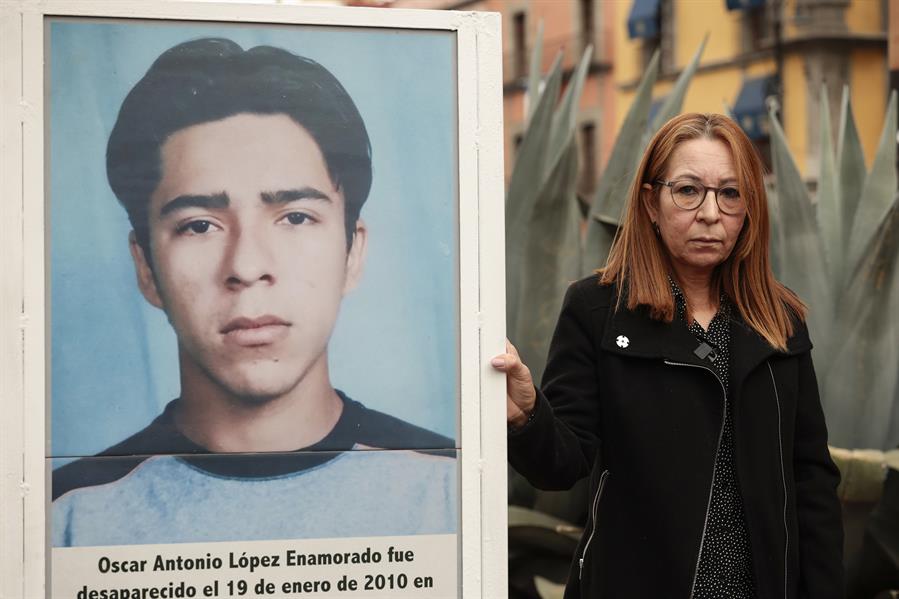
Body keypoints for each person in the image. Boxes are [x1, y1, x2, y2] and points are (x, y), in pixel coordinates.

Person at [52, 38, 455, 547]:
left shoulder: (454, 489)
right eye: (199, 225)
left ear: (352, 252)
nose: (246, 266)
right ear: (147, 267)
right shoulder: (63, 518)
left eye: (294, 217)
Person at [493, 113, 843, 598]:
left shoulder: (777, 318)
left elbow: (812, 480)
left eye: (730, 193)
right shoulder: (598, 309)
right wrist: (528, 415)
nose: (710, 213)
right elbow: (562, 465)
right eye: (687, 190)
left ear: (749, 210)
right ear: (651, 203)